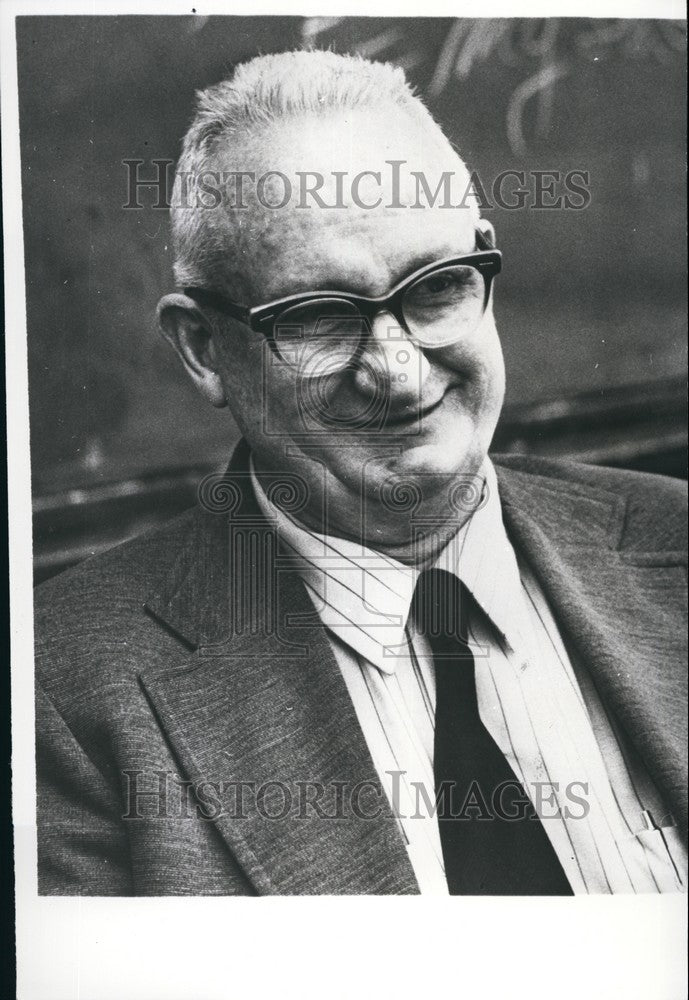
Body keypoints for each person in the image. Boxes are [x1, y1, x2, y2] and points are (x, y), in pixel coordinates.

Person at [34, 50, 687, 896]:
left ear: (483, 265)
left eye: (438, 286)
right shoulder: (64, 693)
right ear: (203, 350)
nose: (400, 370)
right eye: (317, 317)